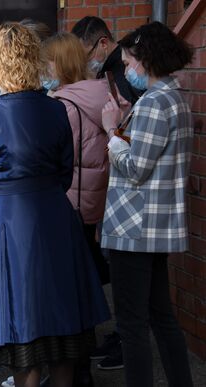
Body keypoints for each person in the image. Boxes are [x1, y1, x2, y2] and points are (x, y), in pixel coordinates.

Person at [0, 22, 110, 387]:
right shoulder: (56, 109)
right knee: (61, 329)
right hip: (55, 218)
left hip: (6, 222)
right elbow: (64, 171)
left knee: (22, 329)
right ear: (34, 60)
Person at [100, 22, 194, 387]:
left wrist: (110, 130)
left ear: (144, 59)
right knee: (160, 316)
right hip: (154, 225)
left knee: (132, 324)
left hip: (134, 228)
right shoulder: (173, 97)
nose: (126, 70)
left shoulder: (155, 102)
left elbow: (136, 167)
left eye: (127, 62)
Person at [42, 32, 112, 387]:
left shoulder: (64, 105)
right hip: (95, 205)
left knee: (68, 296)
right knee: (85, 289)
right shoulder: (103, 94)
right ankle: (80, 369)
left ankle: (75, 371)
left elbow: (53, 158)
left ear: (63, 64)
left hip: (69, 204)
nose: (45, 69)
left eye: (50, 62)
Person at [72, 16, 141, 106]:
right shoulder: (108, 68)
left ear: (103, 43)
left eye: (86, 57)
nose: (84, 64)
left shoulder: (125, 69)